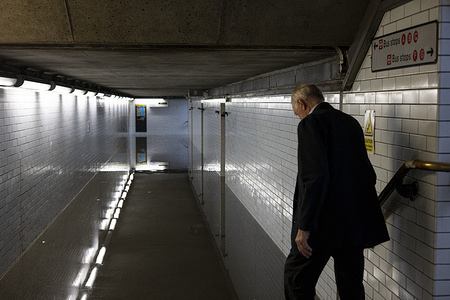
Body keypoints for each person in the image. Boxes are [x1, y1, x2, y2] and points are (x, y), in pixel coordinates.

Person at [284, 84, 389, 299]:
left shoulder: (311, 123)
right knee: (351, 285)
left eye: (298, 113)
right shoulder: (349, 122)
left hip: (322, 224)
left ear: (302, 104)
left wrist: (305, 227)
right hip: (353, 222)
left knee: (296, 279)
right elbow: (368, 174)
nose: (299, 118)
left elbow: (314, 177)